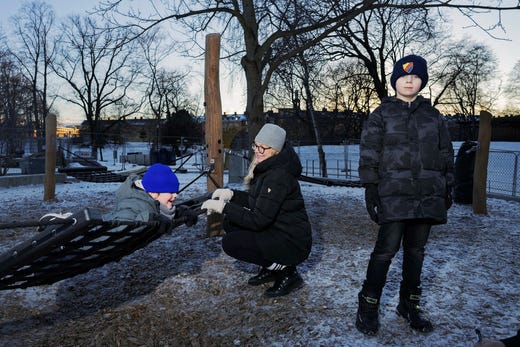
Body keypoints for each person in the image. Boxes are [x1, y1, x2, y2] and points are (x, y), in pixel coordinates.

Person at [355, 54, 454, 335]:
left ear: (422, 81)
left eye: (415, 76)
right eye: (403, 76)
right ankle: (368, 304)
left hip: (426, 194)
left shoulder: (433, 116)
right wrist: (371, 188)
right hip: (393, 195)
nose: (409, 80)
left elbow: (446, 153)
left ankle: (409, 304)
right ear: (395, 81)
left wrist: (448, 185)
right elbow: (369, 153)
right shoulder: (381, 115)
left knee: (416, 252)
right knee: (385, 252)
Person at [201, 123, 312, 298]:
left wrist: (224, 207)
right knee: (231, 223)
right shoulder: (269, 167)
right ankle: (271, 267)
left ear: (275, 149)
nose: (257, 151)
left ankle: (286, 272)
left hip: (293, 242)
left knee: (231, 243)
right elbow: (258, 202)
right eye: (255, 145)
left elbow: (258, 219)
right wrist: (231, 195)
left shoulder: (278, 176)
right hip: (278, 230)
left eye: (263, 147)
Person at [40, 163, 197, 230]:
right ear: (154, 193)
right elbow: (122, 228)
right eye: (170, 192)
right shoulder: (134, 204)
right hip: (94, 238)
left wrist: (181, 212)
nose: (176, 195)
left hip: (104, 228)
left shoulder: (152, 203)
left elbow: (160, 212)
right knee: (81, 231)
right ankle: (61, 224)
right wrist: (149, 219)